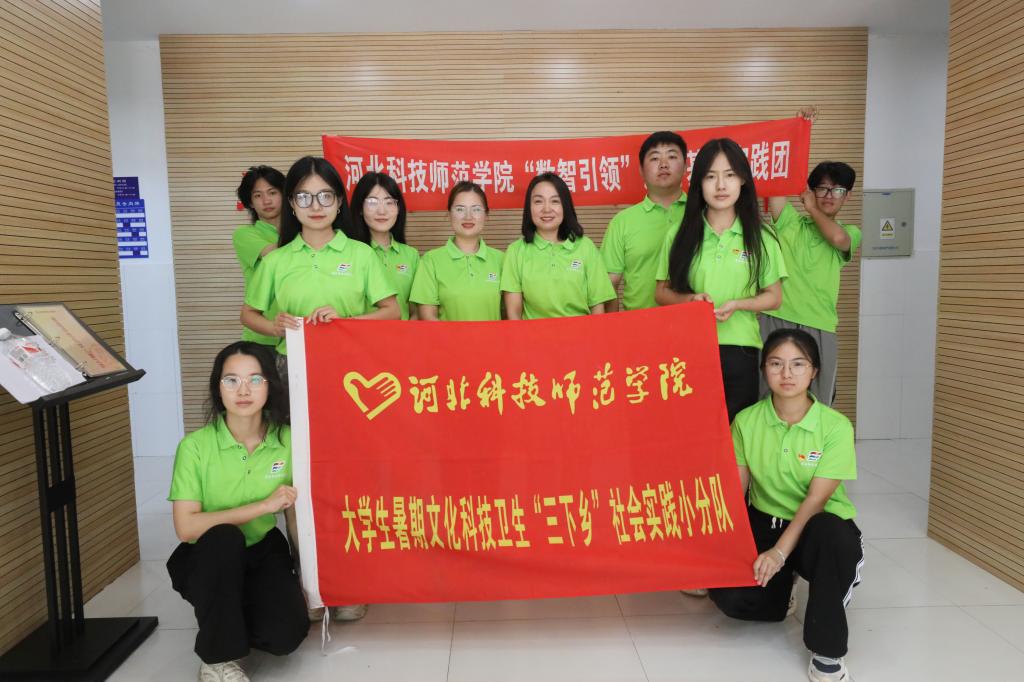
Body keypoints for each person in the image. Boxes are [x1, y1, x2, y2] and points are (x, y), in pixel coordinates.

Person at [709, 329, 863, 682]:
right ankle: (782, 589)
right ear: (764, 369)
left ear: (814, 371)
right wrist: (717, 550)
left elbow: (815, 500)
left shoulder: (835, 426)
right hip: (766, 520)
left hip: (817, 526)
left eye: (798, 364)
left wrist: (779, 553)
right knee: (734, 600)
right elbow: (736, 494)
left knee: (832, 538)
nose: (787, 374)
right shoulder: (746, 421)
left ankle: (827, 651)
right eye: (776, 364)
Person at [167, 341, 307, 682]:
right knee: (225, 538)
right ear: (218, 388)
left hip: (262, 549)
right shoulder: (195, 447)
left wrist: (307, 577)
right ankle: (217, 658)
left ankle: (230, 616)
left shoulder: (290, 440)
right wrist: (263, 506)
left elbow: (294, 515)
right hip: (208, 555)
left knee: (286, 637)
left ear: (269, 386)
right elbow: (186, 528)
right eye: (231, 380)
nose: (243, 390)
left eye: (255, 380)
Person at [655, 138, 787, 422]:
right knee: (691, 429)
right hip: (688, 349)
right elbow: (661, 292)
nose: (720, 186)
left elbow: (774, 297)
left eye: (729, 175)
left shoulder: (761, 237)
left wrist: (738, 304)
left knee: (736, 433)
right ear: (699, 184)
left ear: (742, 180)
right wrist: (691, 299)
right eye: (710, 177)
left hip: (741, 349)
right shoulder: (679, 234)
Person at [240, 156, 399, 363]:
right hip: (293, 363)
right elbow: (248, 314)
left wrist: (346, 323)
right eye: (304, 197)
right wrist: (274, 328)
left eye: (325, 196)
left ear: (339, 201)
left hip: (351, 361)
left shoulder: (362, 254)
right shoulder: (276, 260)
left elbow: (392, 311)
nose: (316, 207)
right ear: (292, 203)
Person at [762, 152, 861, 406]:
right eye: (822, 188)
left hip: (819, 324)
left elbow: (838, 239)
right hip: (776, 319)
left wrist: (812, 208)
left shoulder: (849, 232)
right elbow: (775, 187)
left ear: (848, 196)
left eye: (837, 190)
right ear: (811, 190)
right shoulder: (790, 222)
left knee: (818, 402)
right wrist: (788, 140)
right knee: (768, 396)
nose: (829, 195)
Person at [501, 172, 616, 319]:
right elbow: (514, 313)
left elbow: (597, 307)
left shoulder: (585, 247)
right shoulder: (516, 251)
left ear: (565, 206)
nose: (546, 209)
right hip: (534, 334)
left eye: (555, 201)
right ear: (529, 207)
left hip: (581, 332)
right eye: (538, 201)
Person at [602, 131, 688, 312]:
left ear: (686, 166)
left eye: (672, 156)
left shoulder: (703, 213)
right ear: (641, 170)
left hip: (693, 321)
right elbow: (608, 286)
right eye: (655, 158)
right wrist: (612, 326)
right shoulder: (622, 222)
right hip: (639, 324)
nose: (663, 164)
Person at [410, 181, 504, 321]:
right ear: (449, 214)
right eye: (460, 209)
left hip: (493, 337)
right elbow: (428, 316)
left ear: (486, 215)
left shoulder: (502, 260)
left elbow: (510, 313)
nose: (468, 216)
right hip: (444, 337)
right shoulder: (430, 260)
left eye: (476, 209)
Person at [349, 172, 420, 320]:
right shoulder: (351, 253)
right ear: (360, 208)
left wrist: (407, 332)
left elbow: (416, 311)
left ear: (398, 208)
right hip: (361, 333)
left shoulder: (411, 255)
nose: (382, 211)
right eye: (372, 202)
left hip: (404, 334)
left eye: (389, 202)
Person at [233, 165, 286, 347]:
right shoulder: (245, 234)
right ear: (250, 202)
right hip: (261, 338)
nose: (266, 200)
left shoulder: (302, 232)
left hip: (298, 334)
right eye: (258, 195)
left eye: (273, 193)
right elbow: (275, 255)